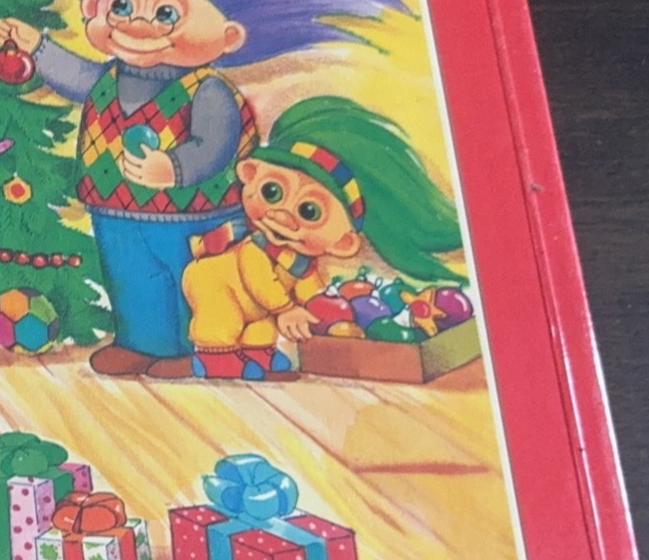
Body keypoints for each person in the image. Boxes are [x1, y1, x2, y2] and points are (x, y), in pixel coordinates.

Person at [0, 0, 411, 376]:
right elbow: (77, 77)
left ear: (228, 37)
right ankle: (139, 343)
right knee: (131, 279)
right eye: (122, 7)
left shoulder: (208, 90)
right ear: (94, 10)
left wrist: (173, 168)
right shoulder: (107, 77)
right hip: (114, 208)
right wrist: (38, 48)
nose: (139, 25)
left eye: (167, 13)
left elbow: (214, 145)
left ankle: (190, 351)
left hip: (190, 214)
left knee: (186, 281)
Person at [162, 96, 465, 380]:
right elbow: (256, 276)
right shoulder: (256, 247)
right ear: (251, 173)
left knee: (262, 327)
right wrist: (285, 309)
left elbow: (308, 288)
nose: (282, 216)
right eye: (272, 191)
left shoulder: (303, 264)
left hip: (260, 305)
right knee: (222, 318)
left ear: (343, 243)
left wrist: (321, 308)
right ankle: (214, 358)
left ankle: (258, 354)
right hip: (216, 283)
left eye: (310, 211)